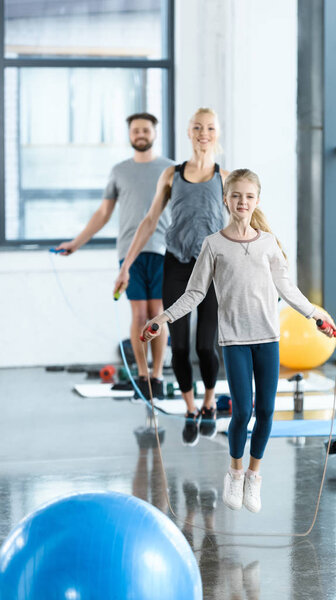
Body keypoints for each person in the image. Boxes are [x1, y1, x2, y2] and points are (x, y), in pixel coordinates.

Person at [140, 168, 336, 513]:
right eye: (236, 196)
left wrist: (316, 315)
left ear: (256, 200)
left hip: (268, 338)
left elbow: (287, 288)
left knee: (265, 412)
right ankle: (234, 472)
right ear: (225, 199)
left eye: (249, 196)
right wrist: (163, 317)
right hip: (234, 340)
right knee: (242, 410)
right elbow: (195, 293)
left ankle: (253, 476)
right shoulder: (213, 245)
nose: (242, 202)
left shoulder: (268, 243)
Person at [114, 108, 229, 445]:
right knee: (178, 346)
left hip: (211, 267)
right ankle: (191, 409)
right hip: (176, 264)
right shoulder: (171, 175)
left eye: (210, 127)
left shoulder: (226, 177)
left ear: (216, 133)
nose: (203, 133)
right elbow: (149, 221)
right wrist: (125, 266)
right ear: (189, 133)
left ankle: (209, 404)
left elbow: (247, 216)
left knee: (205, 346)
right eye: (197, 127)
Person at [56, 113, 174, 398]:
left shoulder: (170, 169)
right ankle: (142, 376)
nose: (141, 134)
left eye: (145, 129)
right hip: (129, 253)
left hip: (163, 250)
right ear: (130, 135)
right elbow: (103, 213)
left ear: (154, 133)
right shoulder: (119, 171)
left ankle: (157, 376)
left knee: (157, 313)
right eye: (135, 130)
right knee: (138, 314)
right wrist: (76, 242)